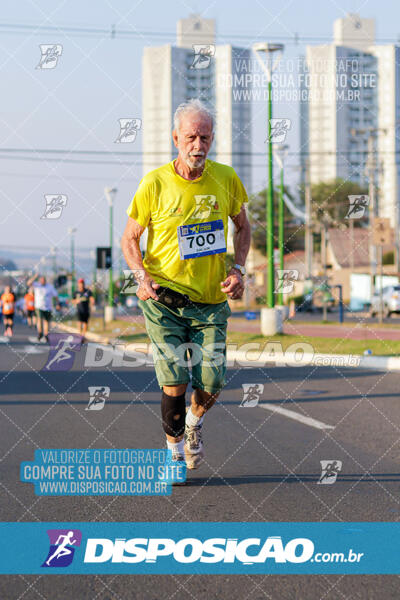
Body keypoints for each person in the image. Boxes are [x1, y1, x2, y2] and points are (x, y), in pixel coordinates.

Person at [121, 99, 251, 477]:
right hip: (163, 299)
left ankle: (193, 425)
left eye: (205, 138)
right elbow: (130, 237)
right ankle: (174, 453)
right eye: (191, 137)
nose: (198, 145)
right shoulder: (155, 183)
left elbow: (243, 227)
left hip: (210, 302)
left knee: (211, 382)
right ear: (176, 138)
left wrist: (239, 269)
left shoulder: (226, 178)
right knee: (175, 379)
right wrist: (141, 277)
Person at [26, 273, 60, 343]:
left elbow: (56, 295)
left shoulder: (50, 287)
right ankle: (40, 334)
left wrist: (58, 304)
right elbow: (28, 283)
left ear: (45, 280)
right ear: (39, 281)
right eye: (41, 280)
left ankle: (46, 335)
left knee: (46, 322)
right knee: (39, 320)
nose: (42, 281)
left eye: (43, 280)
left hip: (48, 307)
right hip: (39, 306)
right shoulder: (36, 285)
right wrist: (35, 276)